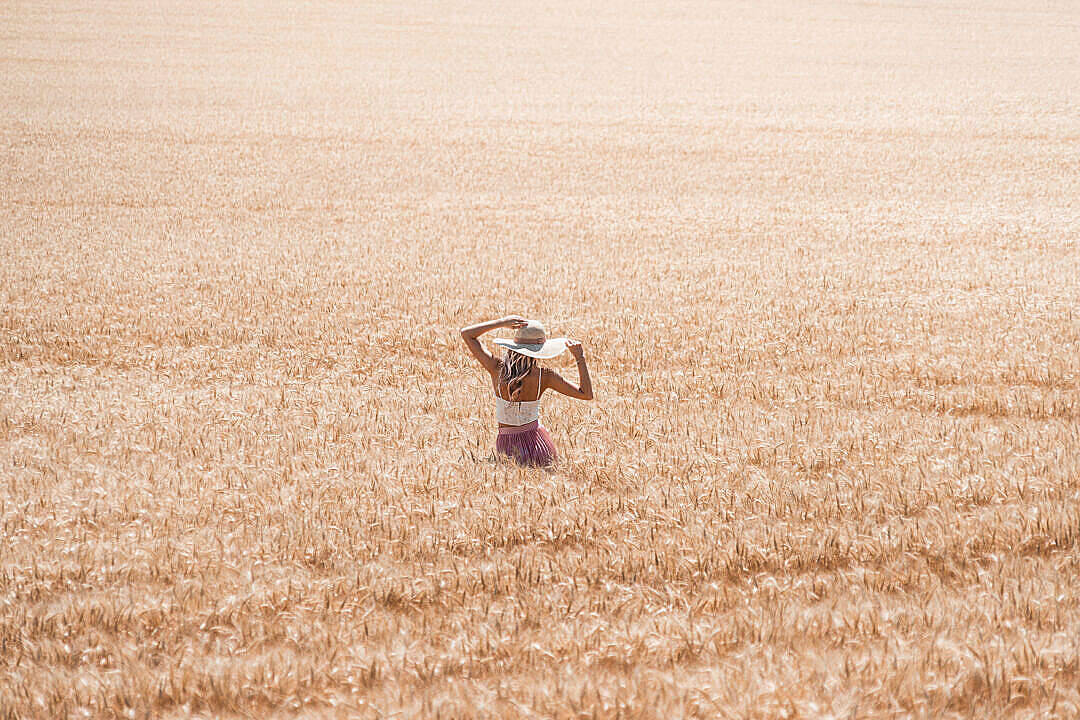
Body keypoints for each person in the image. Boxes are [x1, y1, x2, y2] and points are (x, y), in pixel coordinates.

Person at [460, 315, 593, 466]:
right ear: (540, 350)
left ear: (514, 345)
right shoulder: (545, 376)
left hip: (507, 445)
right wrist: (579, 357)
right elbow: (586, 394)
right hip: (539, 443)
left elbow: (467, 334)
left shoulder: (496, 368)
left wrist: (503, 322)